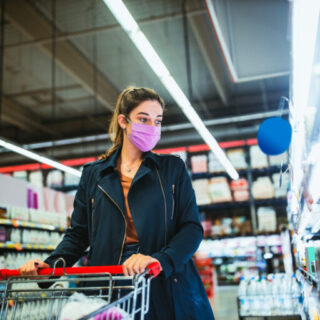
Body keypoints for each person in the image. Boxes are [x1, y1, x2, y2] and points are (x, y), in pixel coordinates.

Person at [19, 87, 215, 320]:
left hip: (162, 281)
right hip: (108, 284)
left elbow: (191, 228)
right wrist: (49, 267)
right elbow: (79, 234)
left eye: (158, 121)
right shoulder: (95, 174)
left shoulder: (172, 169)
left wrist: (160, 259)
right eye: (143, 119)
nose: (152, 128)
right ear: (123, 121)